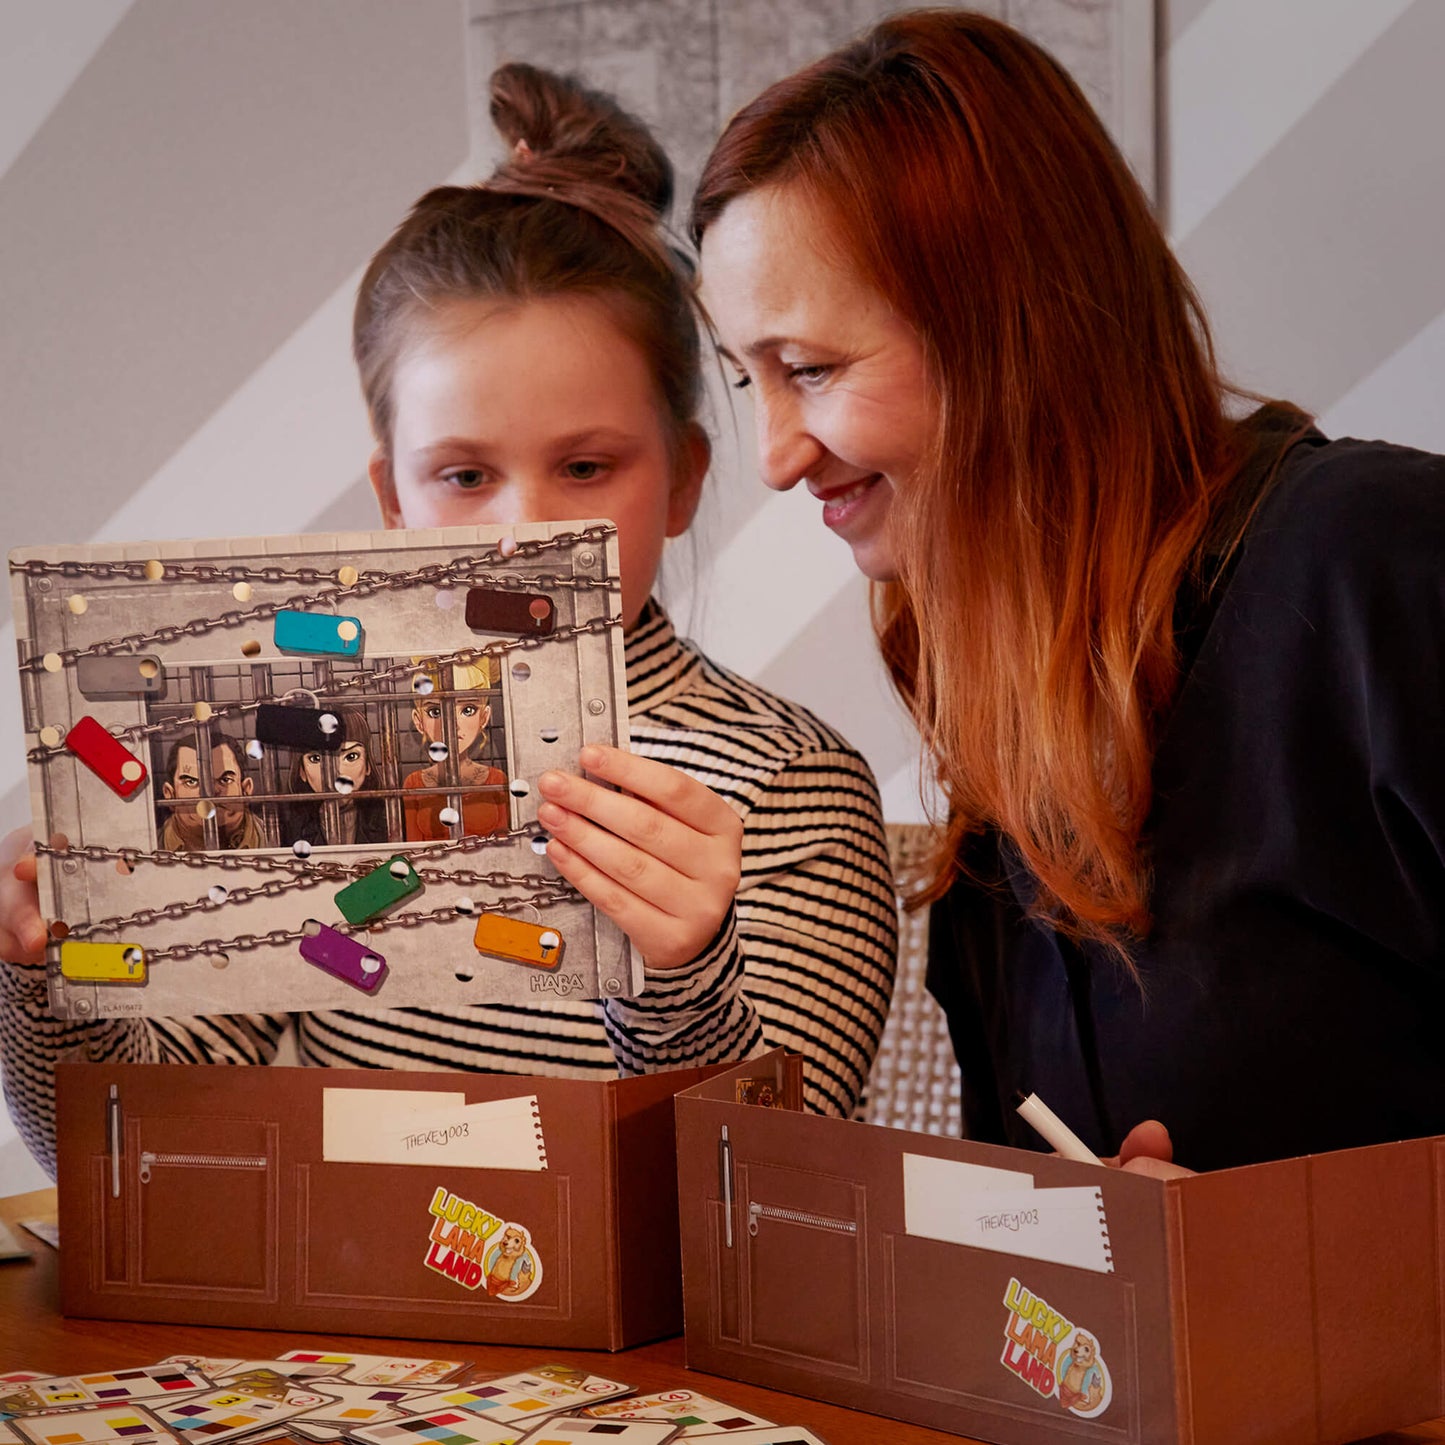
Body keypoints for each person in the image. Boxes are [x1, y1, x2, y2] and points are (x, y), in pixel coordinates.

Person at [0, 63, 897, 1178]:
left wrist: (682, 971)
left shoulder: (783, 782)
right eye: (464, 475)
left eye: (584, 465)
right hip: (338, 1337)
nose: (523, 528)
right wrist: (46, 975)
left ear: (680, 478)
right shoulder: (290, 751)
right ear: (391, 499)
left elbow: (774, 1193)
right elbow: (124, 1156)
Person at [692, 10, 1445, 1173]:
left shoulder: (1382, 562)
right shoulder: (1001, 766)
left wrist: (1319, 1258)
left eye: (811, 369)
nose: (774, 455)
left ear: (1011, 327)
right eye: (747, 379)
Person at [401, 664, 508, 842]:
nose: (452, 725)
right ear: (418, 721)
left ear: (484, 716)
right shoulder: (413, 784)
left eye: (468, 710)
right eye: (435, 712)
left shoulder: (497, 780)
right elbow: (414, 849)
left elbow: (509, 847)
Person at [278, 706, 391, 850]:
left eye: (351, 756)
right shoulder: (288, 828)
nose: (336, 772)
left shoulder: (389, 819)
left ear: (368, 765)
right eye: (316, 758)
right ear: (302, 771)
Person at [157, 729, 263, 851]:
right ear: (170, 794)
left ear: (246, 790)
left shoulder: (278, 839)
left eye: (225, 779)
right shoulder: (148, 844)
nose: (210, 791)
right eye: (191, 782)